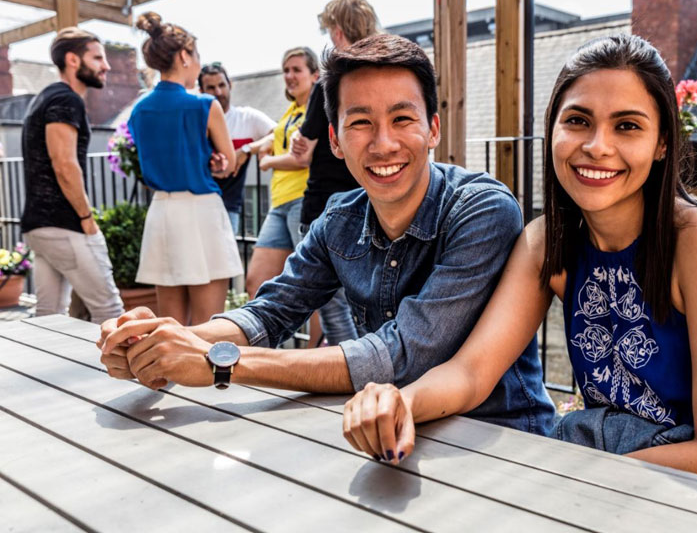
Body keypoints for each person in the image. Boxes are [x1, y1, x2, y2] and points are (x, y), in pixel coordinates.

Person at [341, 34, 697, 496]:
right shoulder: (547, 243)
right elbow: (472, 372)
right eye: (578, 120)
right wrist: (400, 400)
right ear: (553, 131)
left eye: (627, 126)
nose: (597, 146)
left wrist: (564, 477)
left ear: (663, 143)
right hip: (615, 474)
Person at [99, 34, 555, 436]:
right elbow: (269, 313)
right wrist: (163, 342)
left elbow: (404, 355)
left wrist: (218, 363)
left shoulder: (481, 209)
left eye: (402, 119)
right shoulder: (340, 219)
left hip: (500, 436)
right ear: (335, 141)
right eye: (360, 123)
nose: (383, 143)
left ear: (433, 128)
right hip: (382, 429)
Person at [127, 12, 241, 325]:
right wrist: (216, 165)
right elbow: (228, 163)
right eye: (197, 55)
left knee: (170, 328)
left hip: (163, 214)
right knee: (207, 329)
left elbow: (159, 162)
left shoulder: (138, 111)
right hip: (201, 212)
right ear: (183, 55)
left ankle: (170, 377)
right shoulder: (205, 105)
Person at [287, 0, 380, 347]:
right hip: (375, 204)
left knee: (332, 304)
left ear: (338, 33)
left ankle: (353, 382)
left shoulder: (330, 83)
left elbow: (305, 145)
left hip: (327, 203)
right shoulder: (385, 76)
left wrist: (298, 140)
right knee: (373, 302)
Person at [20, 27, 124, 324]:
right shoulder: (66, 100)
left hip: (41, 226)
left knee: (48, 317)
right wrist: (86, 219)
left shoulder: (46, 97)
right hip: (64, 224)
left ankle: (40, 372)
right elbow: (64, 164)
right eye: (98, 58)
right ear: (73, 60)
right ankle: (116, 373)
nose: (106, 65)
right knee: (110, 311)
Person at [244, 47, 319, 299]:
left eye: (297, 70)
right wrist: (251, 147)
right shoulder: (292, 110)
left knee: (312, 284)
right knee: (256, 282)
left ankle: (317, 341)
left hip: (302, 200)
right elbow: (277, 136)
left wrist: (267, 162)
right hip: (279, 203)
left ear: (315, 76)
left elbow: (301, 158)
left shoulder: (315, 111)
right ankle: (259, 338)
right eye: (286, 70)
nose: (289, 76)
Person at [197, 62, 277, 234]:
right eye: (211, 88)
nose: (218, 92)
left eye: (221, 85)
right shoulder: (195, 121)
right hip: (195, 205)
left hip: (228, 207)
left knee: (225, 259)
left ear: (230, 85)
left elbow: (280, 133)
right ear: (201, 92)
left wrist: (246, 149)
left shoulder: (246, 118)